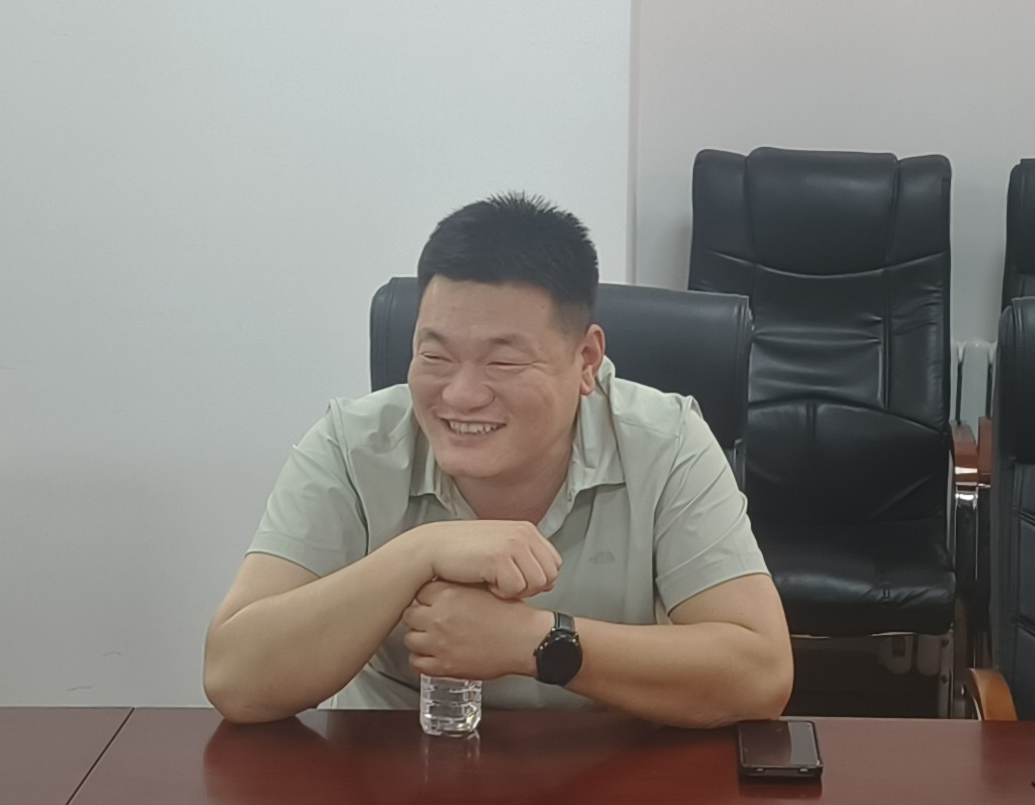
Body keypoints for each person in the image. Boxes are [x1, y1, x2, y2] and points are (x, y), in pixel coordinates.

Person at [202, 194, 792, 728]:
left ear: (586, 360)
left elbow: (761, 674)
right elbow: (235, 679)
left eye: (503, 363)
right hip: (386, 777)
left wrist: (538, 642)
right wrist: (417, 553)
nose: (461, 395)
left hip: (603, 780)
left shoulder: (665, 441)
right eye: (434, 356)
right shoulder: (352, 444)